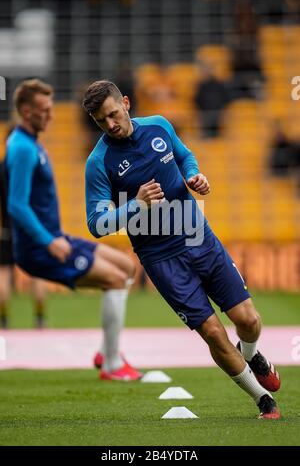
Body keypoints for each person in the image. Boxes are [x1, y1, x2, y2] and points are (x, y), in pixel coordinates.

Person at [83, 80, 281, 419]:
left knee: (248, 320)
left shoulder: (159, 125)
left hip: (196, 235)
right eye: (101, 121)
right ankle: (263, 399)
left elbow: (185, 155)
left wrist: (193, 175)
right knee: (212, 332)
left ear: (126, 103)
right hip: (160, 257)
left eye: (113, 114)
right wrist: (136, 204)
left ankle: (251, 354)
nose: (111, 125)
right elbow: (96, 224)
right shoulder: (99, 162)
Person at [5, 78, 141, 381]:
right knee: (116, 280)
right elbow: (16, 205)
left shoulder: (30, 143)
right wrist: (47, 242)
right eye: (44, 110)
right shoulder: (22, 148)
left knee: (126, 267)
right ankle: (111, 364)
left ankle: (106, 349)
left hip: (55, 238)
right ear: (27, 112)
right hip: (40, 248)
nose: (51, 116)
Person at [0, 159, 47, 329]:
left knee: (4, 274)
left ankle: (3, 319)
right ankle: (40, 317)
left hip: (7, 229)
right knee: (38, 274)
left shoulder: (3, 167)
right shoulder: (34, 165)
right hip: (31, 228)